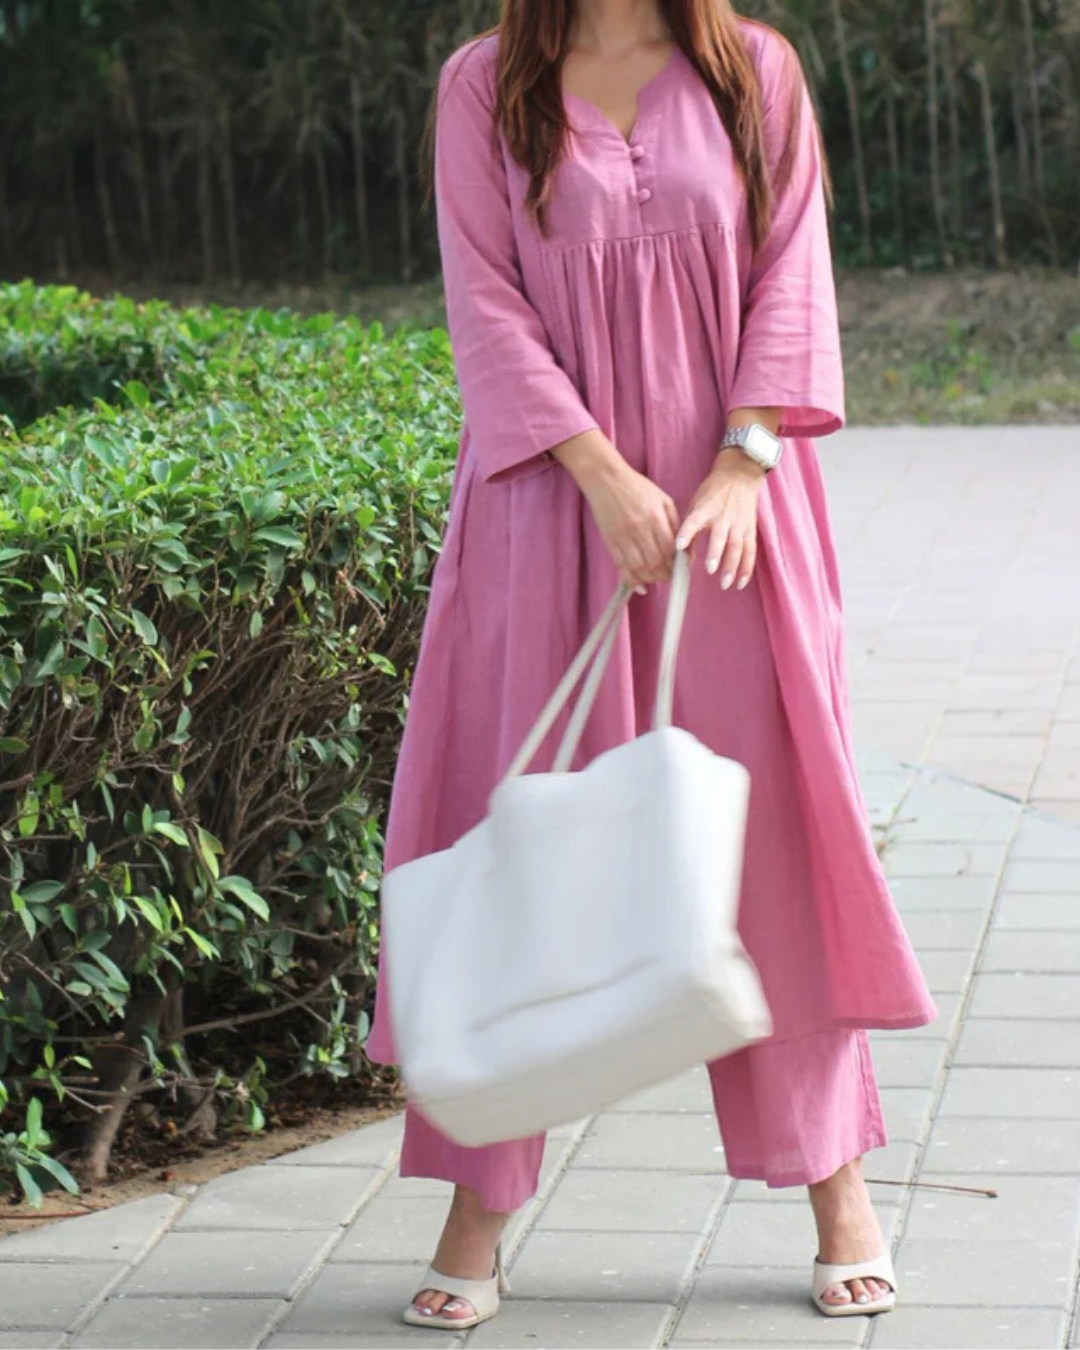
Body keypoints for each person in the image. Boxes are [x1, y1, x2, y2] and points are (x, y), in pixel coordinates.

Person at [364, 0, 937, 1329]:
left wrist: (742, 461)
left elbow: (792, 271)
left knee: (777, 837)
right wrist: (600, 474)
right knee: (519, 833)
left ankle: (839, 1188)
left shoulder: (753, 70)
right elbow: (484, 299)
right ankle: (478, 1204)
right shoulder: (483, 87)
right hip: (546, 509)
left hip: (737, 519)